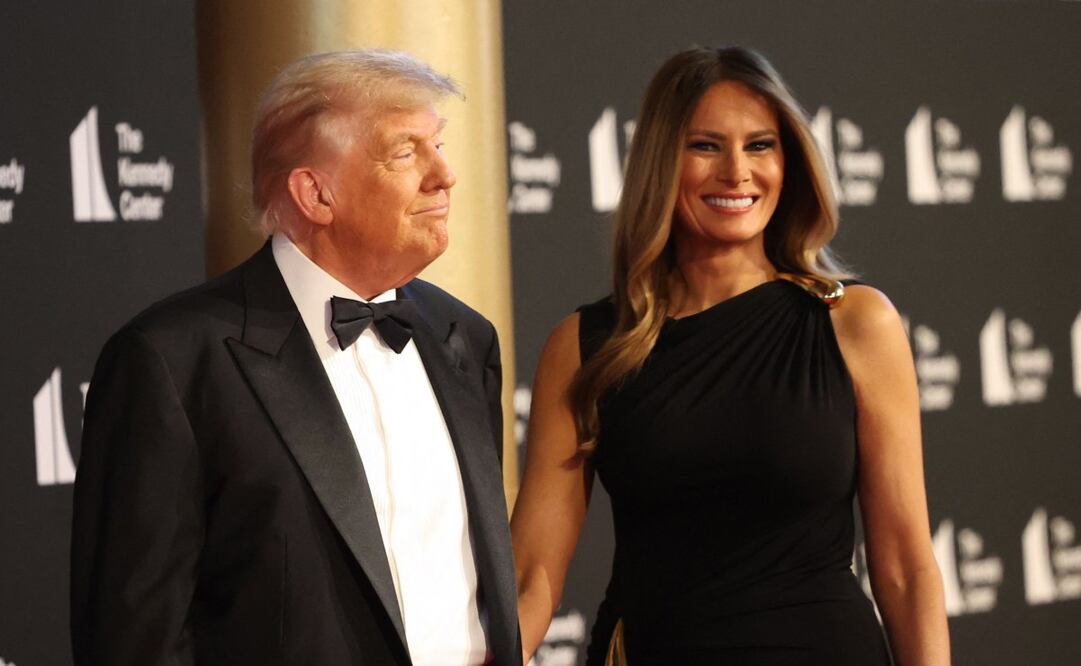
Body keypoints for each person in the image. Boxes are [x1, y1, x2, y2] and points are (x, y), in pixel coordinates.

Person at [71, 49, 520, 666]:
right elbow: (135, 638)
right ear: (315, 193)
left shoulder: (465, 338)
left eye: (437, 145)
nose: (444, 174)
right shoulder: (172, 362)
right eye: (406, 152)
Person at [511, 46, 950, 665]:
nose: (738, 173)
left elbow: (905, 566)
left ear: (789, 161)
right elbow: (532, 574)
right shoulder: (589, 345)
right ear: (662, 161)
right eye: (706, 146)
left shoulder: (852, 323)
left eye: (761, 145)